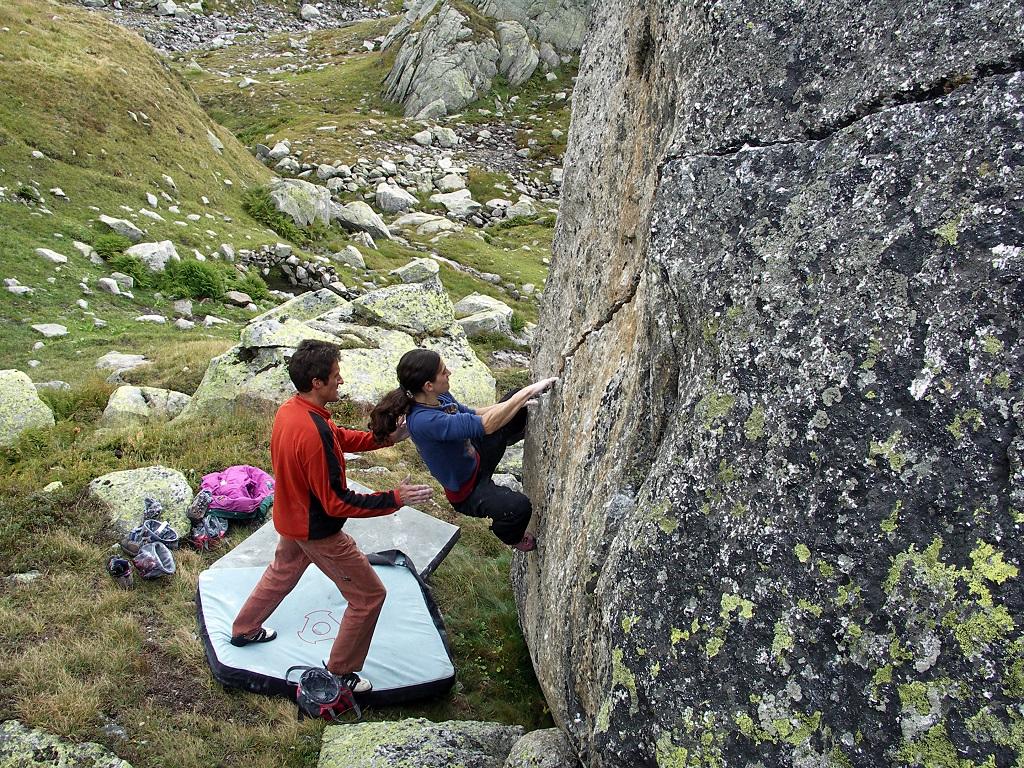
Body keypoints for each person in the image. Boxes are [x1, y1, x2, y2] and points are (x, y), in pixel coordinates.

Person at [230, 339, 432, 695]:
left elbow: (336, 437)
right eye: (336, 376)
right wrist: (394, 498)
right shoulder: (313, 431)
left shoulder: (292, 411)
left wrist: (383, 439)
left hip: (291, 518)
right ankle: (341, 674)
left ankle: (244, 628)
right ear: (317, 383)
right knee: (368, 596)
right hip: (317, 530)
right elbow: (337, 502)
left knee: (282, 572)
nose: (341, 381)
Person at [369, 349, 555, 552]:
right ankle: (513, 538)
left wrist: (515, 404)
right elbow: (487, 425)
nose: (449, 372)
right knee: (517, 508)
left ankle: (510, 433)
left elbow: (471, 414)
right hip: (468, 490)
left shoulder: (439, 396)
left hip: (474, 454)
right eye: (443, 371)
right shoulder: (424, 420)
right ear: (428, 385)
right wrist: (526, 394)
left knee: (513, 402)